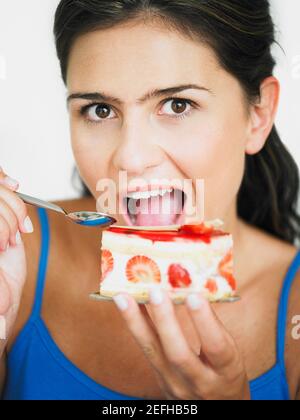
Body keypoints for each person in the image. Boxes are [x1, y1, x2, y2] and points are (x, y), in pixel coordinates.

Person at [1, 0, 300, 400]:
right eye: (100, 109)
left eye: (178, 105)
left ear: (258, 114)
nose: (131, 157)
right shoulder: (18, 252)